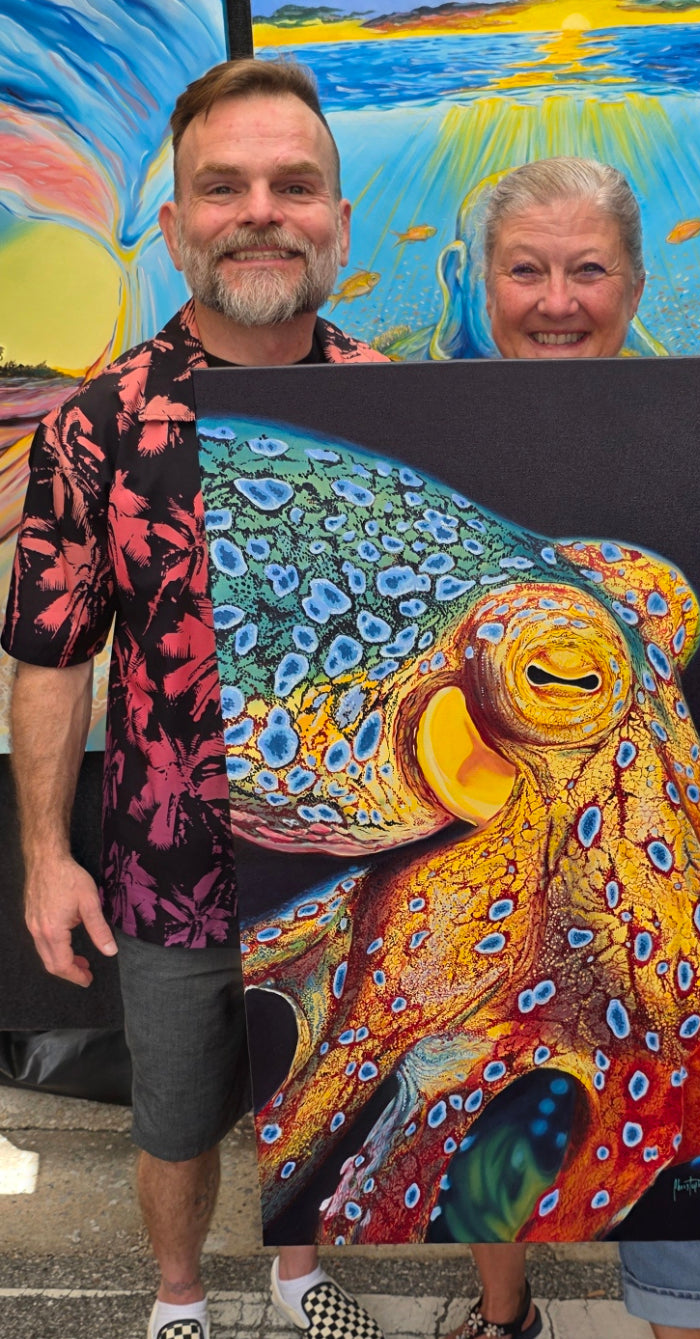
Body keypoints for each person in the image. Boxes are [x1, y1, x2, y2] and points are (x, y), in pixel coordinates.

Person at [1, 58, 389, 1339]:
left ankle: (300, 1277)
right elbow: (52, 654)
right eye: (222, 187)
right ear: (172, 226)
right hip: (171, 863)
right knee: (173, 1111)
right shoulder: (96, 425)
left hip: (354, 848)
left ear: (338, 215)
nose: (260, 210)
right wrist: (48, 855)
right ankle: (178, 1303)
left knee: (328, 1087)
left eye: (294, 184)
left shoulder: (396, 399)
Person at [444, 157, 700, 1339]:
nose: (555, 299)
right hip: (492, 846)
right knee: (488, 1097)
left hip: (658, 864)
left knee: (669, 1116)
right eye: (527, 269)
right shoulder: (429, 431)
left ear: (632, 282)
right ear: (483, 282)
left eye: (585, 269)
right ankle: (501, 1315)